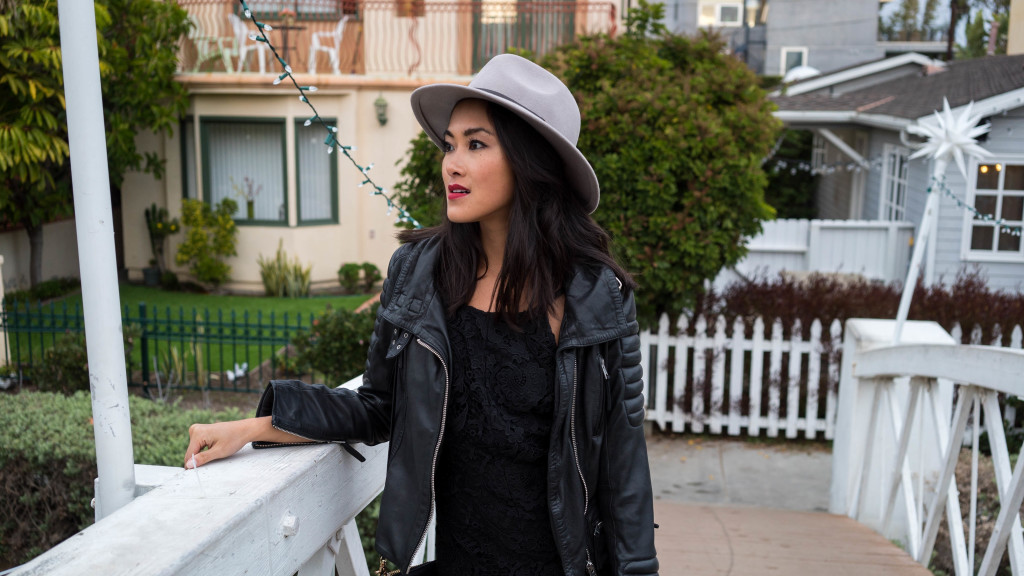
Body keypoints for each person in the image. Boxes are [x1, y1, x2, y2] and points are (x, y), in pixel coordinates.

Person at [184, 53, 659, 576]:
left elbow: (623, 468)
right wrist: (255, 427)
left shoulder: (597, 295)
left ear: (530, 162)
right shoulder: (420, 275)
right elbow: (379, 407)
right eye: (449, 144)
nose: (451, 163)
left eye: (476, 144)